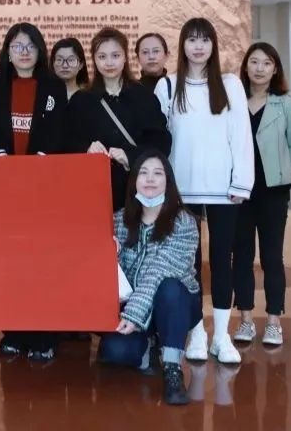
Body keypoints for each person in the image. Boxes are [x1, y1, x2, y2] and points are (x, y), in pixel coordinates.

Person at [154, 18, 253, 365]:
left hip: (223, 190)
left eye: (205, 40)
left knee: (222, 260)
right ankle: (196, 332)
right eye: (192, 40)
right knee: (190, 265)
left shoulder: (230, 85)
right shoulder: (167, 85)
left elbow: (241, 136)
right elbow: (159, 140)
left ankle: (221, 335)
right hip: (182, 191)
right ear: (182, 45)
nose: (198, 46)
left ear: (213, 45)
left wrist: (241, 182)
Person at [0, 22, 67, 361]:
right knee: (10, 261)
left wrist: (37, 165)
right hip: (5, 189)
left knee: (42, 261)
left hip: (43, 188)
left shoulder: (53, 87)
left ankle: (44, 335)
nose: (25, 51)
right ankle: (14, 333)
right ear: (8, 52)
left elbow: (58, 130)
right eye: (18, 46)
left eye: (31, 45)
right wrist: (2, 159)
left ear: (40, 51)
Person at [97, 151, 200, 406]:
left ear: (168, 181)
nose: (150, 179)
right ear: (134, 181)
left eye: (157, 173)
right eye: (143, 173)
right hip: (134, 306)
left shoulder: (183, 222)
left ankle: (172, 367)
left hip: (172, 306)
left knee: (170, 288)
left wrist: (133, 315)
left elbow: (157, 270)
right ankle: (147, 347)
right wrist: (110, 253)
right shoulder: (119, 220)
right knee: (114, 352)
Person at [233, 42, 291, 347]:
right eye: (254, 62)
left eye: (266, 63)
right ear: (246, 66)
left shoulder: (284, 104)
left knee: (272, 256)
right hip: (239, 192)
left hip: (273, 192)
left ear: (275, 69)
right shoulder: (234, 101)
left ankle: (274, 321)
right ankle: (246, 320)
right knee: (242, 256)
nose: (259, 68)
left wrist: (282, 170)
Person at [67, 27, 171, 211]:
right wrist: (86, 148)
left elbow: (161, 142)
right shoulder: (81, 100)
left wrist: (130, 155)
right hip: (93, 191)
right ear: (94, 59)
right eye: (102, 56)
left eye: (115, 55)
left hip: (137, 191)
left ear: (125, 57)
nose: (109, 63)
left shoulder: (144, 97)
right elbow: (66, 140)